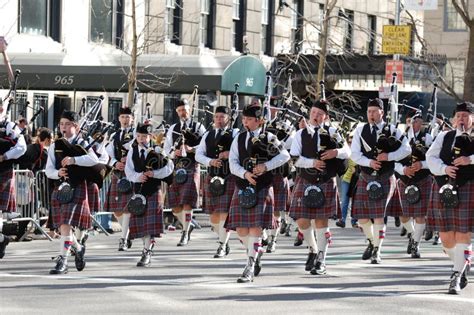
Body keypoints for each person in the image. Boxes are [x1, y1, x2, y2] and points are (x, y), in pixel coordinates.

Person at [227, 102, 290, 283]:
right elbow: (233, 163)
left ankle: (250, 265)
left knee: (255, 227)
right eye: (244, 119)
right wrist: (245, 174)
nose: (245, 122)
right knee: (240, 230)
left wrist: (266, 166)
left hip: (262, 186)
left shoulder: (269, 137)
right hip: (242, 185)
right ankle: (257, 250)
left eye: (248, 119)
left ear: (258, 121)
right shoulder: (238, 139)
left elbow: (284, 155)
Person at [289, 99, 350, 275]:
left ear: (326, 117)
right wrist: (312, 162)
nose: (315, 116)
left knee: (322, 222)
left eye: (319, 114)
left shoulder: (333, 132)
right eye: (313, 112)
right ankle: (313, 249)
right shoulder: (300, 134)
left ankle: (321, 259)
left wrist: (335, 152)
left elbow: (348, 151)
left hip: (325, 180)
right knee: (301, 220)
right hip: (305, 179)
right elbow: (294, 158)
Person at [350, 98, 411, 264]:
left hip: (385, 176)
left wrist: (388, 156)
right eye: (369, 111)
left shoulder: (392, 129)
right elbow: (354, 154)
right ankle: (371, 241)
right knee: (362, 218)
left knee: (378, 216)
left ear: (382, 113)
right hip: (365, 176)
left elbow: (407, 149)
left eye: (374, 111)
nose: (370, 114)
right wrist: (369, 162)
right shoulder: (360, 130)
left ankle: (377, 250)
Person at [426, 102, 473, 295]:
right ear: (453, 119)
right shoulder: (444, 136)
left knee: (463, 233)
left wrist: (469, 159)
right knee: (446, 239)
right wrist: (444, 169)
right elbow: (430, 157)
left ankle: (456, 274)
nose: (461, 119)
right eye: (458, 115)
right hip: (444, 188)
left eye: (465, 115)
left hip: (470, 187)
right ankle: (462, 262)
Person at [45, 111, 99, 274]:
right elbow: (48, 169)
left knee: (66, 226)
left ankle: (63, 261)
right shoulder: (55, 145)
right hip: (61, 188)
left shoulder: (83, 142)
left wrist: (74, 160)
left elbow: (94, 160)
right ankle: (78, 247)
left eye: (68, 124)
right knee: (63, 228)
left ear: (75, 126)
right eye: (61, 124)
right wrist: (57, 173)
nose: (64, 127)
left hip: (78, 187)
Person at [125, 123, 174, 267]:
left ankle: (146, 252)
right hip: (139, 191)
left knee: (149, 226)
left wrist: (154, 174)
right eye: (139, 136)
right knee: (142, 224)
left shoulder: (158, 150)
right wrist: (137, 177)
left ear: (150, 137)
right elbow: (128, 171)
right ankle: (147, 247)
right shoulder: (131, 152)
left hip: (153, 190)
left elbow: (169, 168)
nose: (142, 139)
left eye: (145, 136)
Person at [195, 105, 239, 258]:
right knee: (214, 217)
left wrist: (230, 153)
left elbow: (245, 152)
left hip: (229, 176)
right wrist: (210, 161)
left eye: (222, 117)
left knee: (224, 214)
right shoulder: (208, 135)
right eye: (217, 117)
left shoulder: (237, 133)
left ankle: (222, 244)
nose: (219, 120)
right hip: (212, 177)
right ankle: (222, 237)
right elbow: (198, 155)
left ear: (229, 118)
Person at [163, 99, 206, 246]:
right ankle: (189, 224)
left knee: (187, 203)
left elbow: (205, 146)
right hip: (176, 167)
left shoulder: (199, 127)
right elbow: (165, 149)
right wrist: (173, 152)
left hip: (192, 166)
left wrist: (191, 149)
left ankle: (185, 232)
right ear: (177, 112)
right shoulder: (173, 128)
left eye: (185, 109)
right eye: (180, 110)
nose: (183, 112)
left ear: (190, 110)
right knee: (175, 206)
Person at [395, 111, 433, 258]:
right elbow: (393, 161)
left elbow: (435, 158)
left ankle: (416, 244)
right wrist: (403, 170)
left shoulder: (428, 137)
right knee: (403, 215)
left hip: (423, 179)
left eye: (418, 120)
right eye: (412, 120)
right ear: (407, 121)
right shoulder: (400, 137)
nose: (415, 123)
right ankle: (412, 234)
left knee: (420, 215)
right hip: (405, 180)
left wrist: (421, 164)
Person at [105, 107, 135, 251]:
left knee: (127, 208)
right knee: (117, 210)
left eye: (128, 117)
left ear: (132, 119)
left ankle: (123, 238)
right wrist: (115, 163)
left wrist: (128, 160)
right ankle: (128, 232)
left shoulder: (137, 134)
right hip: (118, 173)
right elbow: (107, 156)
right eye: (123, 117)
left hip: (131, 174)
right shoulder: (113, 135)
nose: (125, 120)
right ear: (119, 119)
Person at [0, 102, 27, 258]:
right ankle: (2, 239)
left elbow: (21, 147)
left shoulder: (10, 127)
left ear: (1, 109)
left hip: (2, 171)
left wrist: (4, 156)